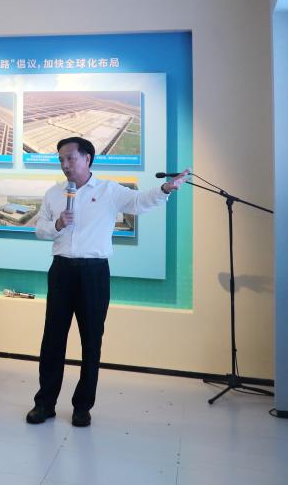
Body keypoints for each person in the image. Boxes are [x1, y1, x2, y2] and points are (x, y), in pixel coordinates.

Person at [26, 137, 188, 428]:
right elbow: (39, 230)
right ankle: (44, 403)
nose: (65, 165)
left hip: (94, 273)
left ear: (87, 158)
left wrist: (165, 189)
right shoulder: (53, 193)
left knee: (91, 341)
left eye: (70, 158)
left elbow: (138, 202)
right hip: (61, 271)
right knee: (52, 340)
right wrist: (57, 224)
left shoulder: (108, 191)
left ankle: (82, 407)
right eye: (61, 159)